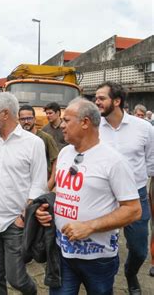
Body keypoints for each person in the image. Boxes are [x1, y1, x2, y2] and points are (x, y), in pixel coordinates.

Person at [36, 97, 142, 295]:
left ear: (85, 122)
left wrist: (89, 226)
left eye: (67, 120)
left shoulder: (114, 161)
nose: (62, 126)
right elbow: (62, 191)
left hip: (98, 259)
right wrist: (47, 211)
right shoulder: (65, 153)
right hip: (62, 253)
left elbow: (134, 210)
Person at [0, 92, 47, 295]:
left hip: (14, 223)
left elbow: (39, 184)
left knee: (16, 278)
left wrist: (23, 216)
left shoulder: (33, 143)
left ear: (5, 114)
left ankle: (31, 291)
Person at [95, 82, 154, 295]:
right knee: (100, 244)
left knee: (139, 249)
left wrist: (135, 180)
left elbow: (151, 161)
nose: (97, 102)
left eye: (101, 98)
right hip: (104, 195)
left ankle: (130, 272)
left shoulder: (144, 128)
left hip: (136, 196)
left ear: (117, 101)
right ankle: (103, 281)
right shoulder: (95, 128)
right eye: (97, 98)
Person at [19, 105, 59, 190]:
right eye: (22, 119)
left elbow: (55, 161)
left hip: (41, 186)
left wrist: (49, 184)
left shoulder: (46, 138)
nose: (26, 121)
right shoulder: (17, 139)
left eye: (29, 118)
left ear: (34, 119)